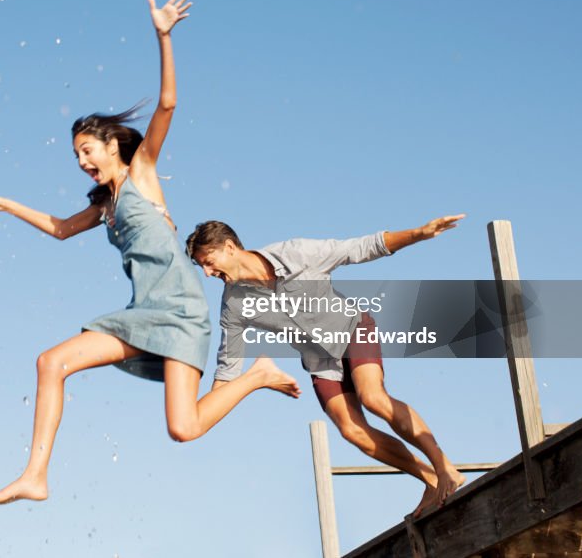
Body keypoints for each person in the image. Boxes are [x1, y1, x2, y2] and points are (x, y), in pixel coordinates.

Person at [0, 0, 299, 506]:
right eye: (75, 154)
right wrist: (7, 204)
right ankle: (36, 475)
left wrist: (163, 35)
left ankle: (255, 376)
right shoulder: (105, 206)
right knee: (51, 362)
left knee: (183, 428)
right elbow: (59, 229)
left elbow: (167, 104)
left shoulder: (142, 172)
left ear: (112, 145)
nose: (81, 161)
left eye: (86, 150)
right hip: (145, 313)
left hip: (182, 311)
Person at [185, 215, 467, 516]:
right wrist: (198, 416)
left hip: (351, 328)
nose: (207, 272)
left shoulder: (296, 254)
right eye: (202, 266)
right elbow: (228, 371)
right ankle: (430, 479)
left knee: (372, 397)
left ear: (229, 247)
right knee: (352, 431)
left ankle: (444, 466)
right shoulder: (234, 304)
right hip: (319, 360)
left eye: (209, 262)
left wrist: (418, 233)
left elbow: (358, 248)